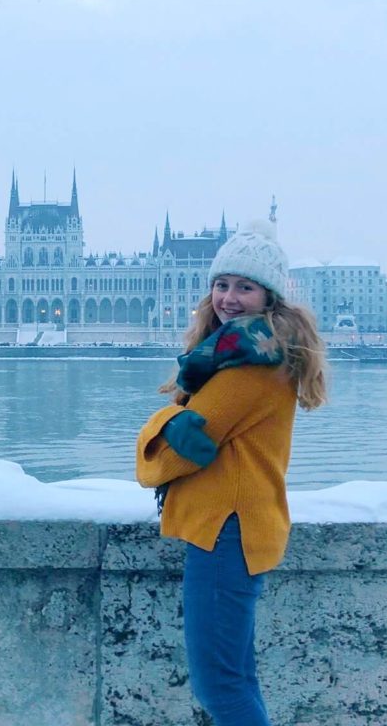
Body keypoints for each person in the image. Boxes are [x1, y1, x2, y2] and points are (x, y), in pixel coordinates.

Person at [135, 219, 327, 726]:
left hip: (226, 531)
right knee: (236, 680)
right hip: (239, 526)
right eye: (222, 284)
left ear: (270, 297)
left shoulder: (249, 363)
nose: (229, 297)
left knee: (219, 685)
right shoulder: (250, 350)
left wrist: (156, 423)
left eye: (245, 286)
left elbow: (186, 445)